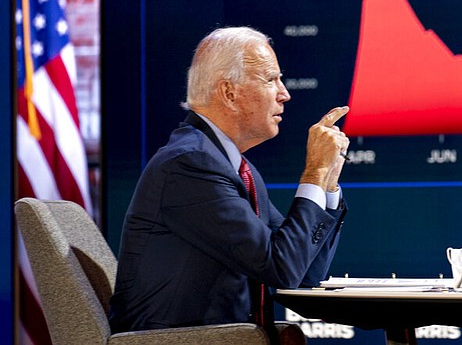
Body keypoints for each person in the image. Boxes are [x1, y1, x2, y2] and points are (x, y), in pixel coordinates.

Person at [108, 26, 350, 338]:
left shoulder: (233, 166)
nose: (284, 93)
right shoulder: (190, 164)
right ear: (229, 92)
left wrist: (328, 181)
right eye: (270, 80)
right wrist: (314, 171)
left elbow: (304, 271)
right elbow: (283, 269)